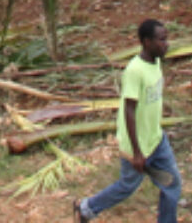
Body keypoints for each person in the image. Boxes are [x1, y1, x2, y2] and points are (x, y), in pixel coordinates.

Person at [75, 20, 179, 223]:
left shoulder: (156, 62)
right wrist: (137, 152)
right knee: (127, 186)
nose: (166, 44)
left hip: (156, 139)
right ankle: (86, 208)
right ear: (146, 42)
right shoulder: (134, 71)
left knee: (172, 184)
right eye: (161, 40)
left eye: (166, 39)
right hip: (136, 144)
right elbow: (128, 110)